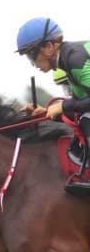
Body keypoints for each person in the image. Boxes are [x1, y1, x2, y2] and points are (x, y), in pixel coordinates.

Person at [16, 17, 90, 194]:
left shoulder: (75, 59)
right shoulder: (68, 60)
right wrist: (47, 113)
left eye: (31, 55)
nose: (33, 64)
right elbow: (78, 110)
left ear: (49, 47)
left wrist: (62, 106)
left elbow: (77, 107)